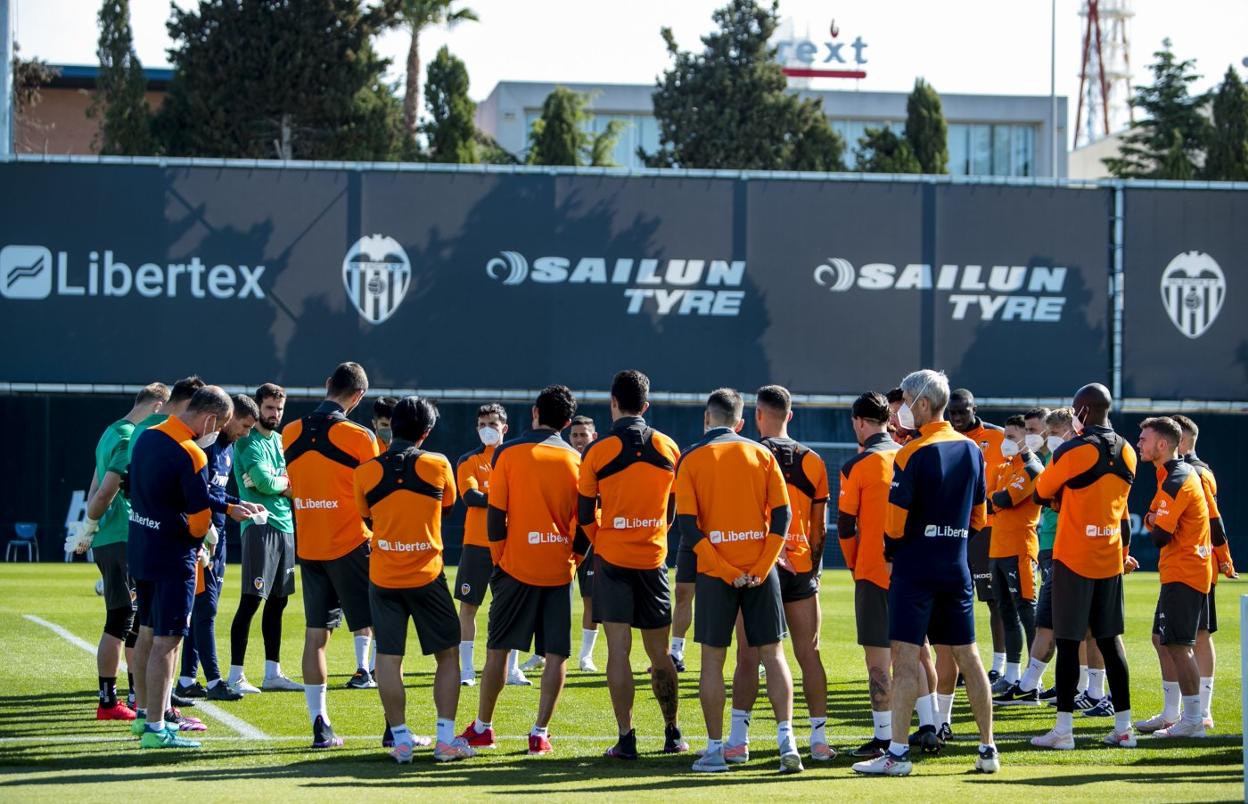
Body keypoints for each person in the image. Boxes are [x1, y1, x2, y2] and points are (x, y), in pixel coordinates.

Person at [852, 369, 998, 777]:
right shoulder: (973, 450)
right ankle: (988, 749)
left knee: (905, 660)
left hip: (915, 568)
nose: (901, 411)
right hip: (955, 565)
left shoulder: (910, 453)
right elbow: (981, 518)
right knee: (969, 657)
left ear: (921, 404)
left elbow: (895, 525)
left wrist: (902, 544)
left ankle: (897, 754)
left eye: (906, 403)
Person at [458, 385, 588, 756]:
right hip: (559, 569)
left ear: (534, 412)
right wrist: (573, 561)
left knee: (498, 648)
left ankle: (483, 727)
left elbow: (496, 517)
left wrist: (500, 560)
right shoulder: (576, 461)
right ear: (566, 422)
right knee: (557, 654)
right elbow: (585, 523)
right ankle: (539, 733)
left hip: (514, 566)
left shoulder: (508, 453)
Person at [678, 388, 801, 775]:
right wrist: (762, 566)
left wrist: (727, 570)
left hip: (717, 573)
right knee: (774, 656)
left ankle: (717, 751)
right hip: (760, 571)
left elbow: (688, 529)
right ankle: (787, 743)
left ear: (707, 417)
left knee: (712, 661)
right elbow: (782, 518)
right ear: (741, 422)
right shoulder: (762, 453)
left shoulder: (692, 458)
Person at [128, 387, 257, 749]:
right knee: (168, 641)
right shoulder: (193, 454)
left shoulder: (148, 436)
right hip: (174, 557)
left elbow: (165, 492)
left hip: (142, 547)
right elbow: (200, 521)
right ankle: (156, 727)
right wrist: (201, 540)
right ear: (211, 420)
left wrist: (230, 505)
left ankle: (142, 715)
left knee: (148, 632)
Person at [353, 396, 475, 763]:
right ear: (427, 431)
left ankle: (402, 741)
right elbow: (449, 505)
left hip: (385, 576)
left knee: (388, 658)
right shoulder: (438, 464)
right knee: (448, 655)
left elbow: (367, 516)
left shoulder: (366, 471)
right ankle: (444, 740)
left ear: (392, 425)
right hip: (426, 575)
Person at [577, 370, 688, 759]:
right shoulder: (669, 446)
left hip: (613, 561)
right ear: (646, 405)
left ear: (613, 403)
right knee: (660, 654)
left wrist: (605, 541)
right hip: (652, 560)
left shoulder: (597, 451)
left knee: (618, 652)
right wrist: (650, 534)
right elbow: (672, 513)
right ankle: (673, 733)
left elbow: (585, 515)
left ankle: (626, 738)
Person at [726, 385, 833, 763]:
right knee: (809, 653)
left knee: (748, 656)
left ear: (757, 415)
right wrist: (813, 571)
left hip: (760, 564)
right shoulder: (813, 461)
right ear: (790, 415)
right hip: (801, 566)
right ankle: (818, 740)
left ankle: (739, 741)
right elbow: (820, 527)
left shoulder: (748, 455)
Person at [1031, 383, 1138, 750]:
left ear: (1084, 412)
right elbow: (1123, 516)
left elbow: (1040, 492)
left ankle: (1063, 731)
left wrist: (1062, 496)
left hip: (1073, 557)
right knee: (1110, 643)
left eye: (1075, 410)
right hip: (1110, 557)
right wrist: (1124, 552)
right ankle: (1124, 729)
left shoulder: (1073, 451)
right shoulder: (1128, 452)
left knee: (1068, 641)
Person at [283, 362, 381, 749]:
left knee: (315, 637)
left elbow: (290, 486)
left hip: (310, 547)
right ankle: (395, 728)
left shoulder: (289, 431)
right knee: (385, 637)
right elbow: (374, 497)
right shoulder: (360, 436)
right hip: (353, 545)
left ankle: (320, 725)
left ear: (328, 385)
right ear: (358, 397)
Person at [69, 382, 170, 720]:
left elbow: (94, 486)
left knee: (131, 621)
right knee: (121, 620)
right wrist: (92, 524)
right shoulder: (131, 439)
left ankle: (130, 694)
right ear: (158, 406)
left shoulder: (110, 432)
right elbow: (104, 493)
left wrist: (90, 527)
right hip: (124, 536)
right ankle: (109, 701)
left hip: (109, 538)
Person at [176, 394, 260, 703]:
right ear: (230, 416)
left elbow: (218, 490)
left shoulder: (227, 448)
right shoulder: (206, 445)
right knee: (206, 610)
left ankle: (187, 678)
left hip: (219, 538)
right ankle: (213, 681)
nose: (246, 433)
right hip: (202, 537)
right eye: (245, 425)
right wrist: (228, 508)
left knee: (203, 610)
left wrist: (238, 503)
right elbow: (199, 493)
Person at [1133, 417, 1213, 738]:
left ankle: (1193, 720)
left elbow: (1160, 535)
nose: (1139, 443)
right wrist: (1154, 518)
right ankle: (1171, 714)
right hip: (1178, 570)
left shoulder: (1178, 477)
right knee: (1160, 639)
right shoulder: (1168, 473)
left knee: (1180, 646)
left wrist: (1153, 519)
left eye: (1143, 439)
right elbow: (1155, 519)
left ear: (1162, 445)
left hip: (1186, 571)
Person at [838, 392, 902, 758]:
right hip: (913, 571)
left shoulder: (857, 465)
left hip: (875, 571)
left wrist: (854, 564)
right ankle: (930, 725)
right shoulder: (910, 455)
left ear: (860, 422)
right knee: (917, 652)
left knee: (878, 661)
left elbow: (846, 527)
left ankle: (883, 737)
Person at [228, 383, 302, 696]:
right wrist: (284, 485)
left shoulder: (282, 441)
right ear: (258, 407)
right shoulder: (247, 442)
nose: (275, 414)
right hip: (259, 525)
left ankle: (273, 673)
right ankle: (235, 675)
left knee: (279, 601)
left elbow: (281, 481)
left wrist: (278, 484)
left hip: (286, 526)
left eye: (279, 409)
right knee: (252, 600)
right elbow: (261, 481)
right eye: (270, 408)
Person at [454, 404, 528, 688]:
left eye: (493, 424)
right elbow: (470, 496)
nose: (487, 429)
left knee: (512, 607)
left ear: (504, 428)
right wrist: (504, 499)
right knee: (469, 607)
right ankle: (467, 669)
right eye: (482, 423)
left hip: (510, 543)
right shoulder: (468, 460)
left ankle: (512, 669)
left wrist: (496, 496)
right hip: (476, 544)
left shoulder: (514, 458)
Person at [522, 414, 601, 676]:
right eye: (575, 435)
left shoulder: (597, 462)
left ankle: (586, 656)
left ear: (594, 437)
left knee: (591, 599)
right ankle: (540, 652)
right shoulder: (562, 459)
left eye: (584, 435)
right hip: (558, 540)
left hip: (589, 538)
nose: (579, 439)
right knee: (545, 598)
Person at [1172, 414, 1235, 729]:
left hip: (1197, 566)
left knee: (1196, 635)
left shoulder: (1196, 472)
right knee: (1174, 637)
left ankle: (1201, 711)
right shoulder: (1186, 470)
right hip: (1190, 564)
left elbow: (1215, 521)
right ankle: (1178, 711)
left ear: (1180, 440)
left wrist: (1225, 560)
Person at [947, 388, 1007, 683]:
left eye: (962, 411)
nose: (957, 417)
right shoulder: (945, 437)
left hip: (988, 527)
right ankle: (957, 665)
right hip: (952, 527)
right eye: (952, 412)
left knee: (994, 598)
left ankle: (1000, 664)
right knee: (957, 598)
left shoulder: (997, 437)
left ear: (975, 408)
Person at [985, 415, 1044, 696]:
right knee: (1007, 613)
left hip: (1020, 549)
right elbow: (989, 500)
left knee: (1026, 612)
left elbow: (1004, 499)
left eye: (1012, 436)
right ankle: (1012, 675)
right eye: (1005, 436)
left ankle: (1034, 680)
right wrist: (998, 498)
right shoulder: (1005, 467)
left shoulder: (1032, 468)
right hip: (997, 548)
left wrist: (998, 498)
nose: (1006, 442)